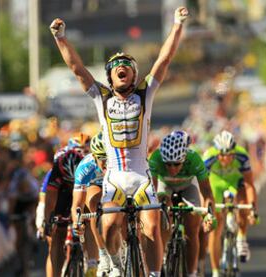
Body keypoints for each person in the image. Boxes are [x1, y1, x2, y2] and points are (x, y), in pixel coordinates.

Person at [50, 6, 189, 276]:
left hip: (141, 177)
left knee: (151, 226)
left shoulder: (145, 94)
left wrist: (177, 24)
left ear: (134, 76)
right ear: (109, 77)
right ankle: (113, 264)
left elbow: (164, 59)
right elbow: (77, 69)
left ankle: (154, 274)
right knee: (111, 223)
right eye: (115, 67)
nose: (121, 68)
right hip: (114, 178)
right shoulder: (101, 98)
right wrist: (61, 38)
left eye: (127, 66)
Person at [149, 130, 215, 277]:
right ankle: (163, 249)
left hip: (188, 187)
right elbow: (152, 193)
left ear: (184, 158)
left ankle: (192, 273)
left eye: (177, 164)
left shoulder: (194, 159)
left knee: (192, 227)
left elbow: (207, 192)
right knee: (163, 208)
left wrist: (209, 214)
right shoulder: (155, 158)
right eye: (168, 164)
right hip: (164, 186)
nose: (172, 168)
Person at [203, 131, 258, 277]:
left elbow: (250, 185)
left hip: (236, 182)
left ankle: (241, 237)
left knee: (243, 203)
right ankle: (215, 271)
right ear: (216, 152)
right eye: (222, 155)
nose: (226, 158)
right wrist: (207, 213)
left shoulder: (242, 156)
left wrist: (253, 209)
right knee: (216, 226)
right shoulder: (208, 157)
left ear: (234, 152)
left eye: (229, 155)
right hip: (216, 185)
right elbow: (203, 188)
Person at [35, 146, 84, 277]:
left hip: (80, 192)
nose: (71, 183)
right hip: (60, 195)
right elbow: (49, 202)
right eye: (69, 182)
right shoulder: (54, 172)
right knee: (56, 236)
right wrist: (49, 221)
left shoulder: (86, 168)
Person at [71, 131, 109, 277]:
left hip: (116, 183)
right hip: (95, 185)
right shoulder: (85, 167)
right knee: (93, 203)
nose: (105, 162)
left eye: (108, 158)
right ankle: (103, 254)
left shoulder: (118, 162)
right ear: (94, 156)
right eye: (101, 159)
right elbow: (77, 204)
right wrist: (77, 222)